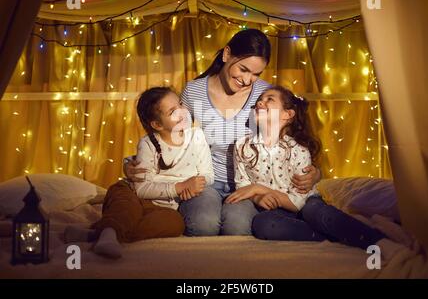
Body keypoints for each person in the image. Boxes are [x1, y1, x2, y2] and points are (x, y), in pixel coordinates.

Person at [124, 29, 322, 236]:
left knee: (237, 227)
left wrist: (316, 172)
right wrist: (134, 162)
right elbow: (170, 133)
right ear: (227, 54)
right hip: (204, 180)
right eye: (244, 69)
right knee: (203, 225)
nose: (247, 80)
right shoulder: (194, 91)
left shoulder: (263, 95)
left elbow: (290, 137)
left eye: (256, 74)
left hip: (249, 185)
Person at [226, 86, 400, 255]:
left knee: (314, 212)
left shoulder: (298, 150)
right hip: (276, 211)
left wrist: (260, 189)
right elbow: (244, 186)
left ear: (288, 115)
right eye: (259, 100)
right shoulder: (242, 146)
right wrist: (258, 197)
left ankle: (377, 241)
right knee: (263, 223)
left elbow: (299, 202)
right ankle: (333, 239)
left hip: (306, 203)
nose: (259, 103)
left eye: (269, 100)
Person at [65, 87, 214, 258]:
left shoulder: (197, 137)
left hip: (165, 206)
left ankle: (99, 234)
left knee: (174, 224)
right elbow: (141, 189)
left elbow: (208, 174)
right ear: (157, 124)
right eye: (173, 111)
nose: (182, 112)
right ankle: (108, 233)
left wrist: (196, 185)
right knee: (125, 209)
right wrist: (179, 187)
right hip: (132, 194)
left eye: (180, 104)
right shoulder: (148, 143)